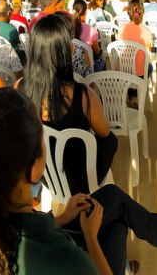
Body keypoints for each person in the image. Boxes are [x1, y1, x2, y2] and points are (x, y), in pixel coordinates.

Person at [0, 88, 157, 275]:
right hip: (80, 255)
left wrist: (62, 218)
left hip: (56, 233)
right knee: (116, 223)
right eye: (42, 140)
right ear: (33, 170)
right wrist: (91, 237)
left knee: (112, 198)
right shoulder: (63, 258)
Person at [21, 14, 117, 194]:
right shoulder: (83, 95)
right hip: (78, 179)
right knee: (111, 140)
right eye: (69, 42)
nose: (73, 46)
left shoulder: (19, 88)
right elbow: (105, 133)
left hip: (44, 174)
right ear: (63, 51)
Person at [117, 0, 152, 78]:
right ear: (142, 12)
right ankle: (143, 85)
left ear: (128, 12)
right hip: (140, 74)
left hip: (123, 71)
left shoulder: (121, 29)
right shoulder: (147, 31)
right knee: (150, 67)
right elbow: (148, 52)